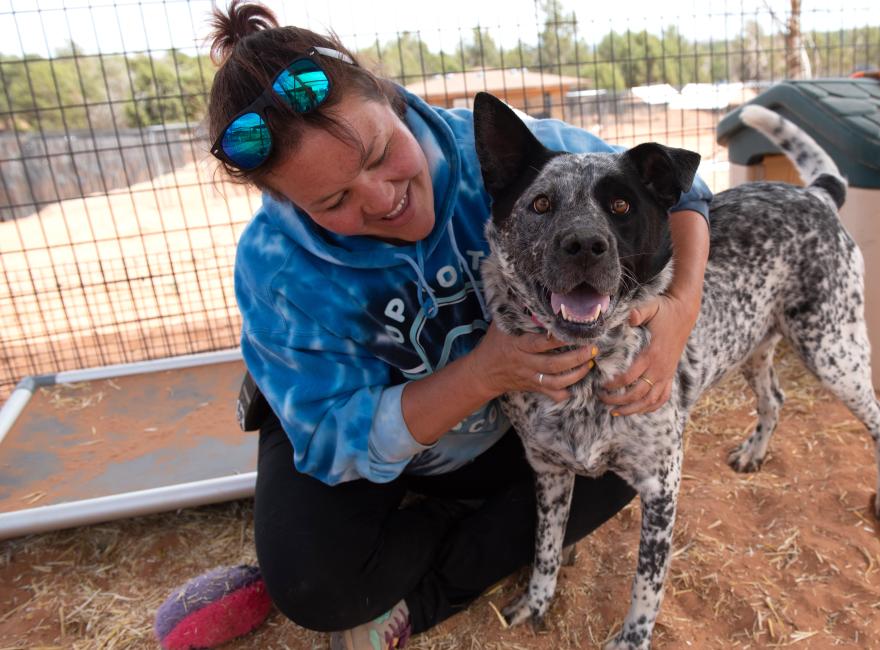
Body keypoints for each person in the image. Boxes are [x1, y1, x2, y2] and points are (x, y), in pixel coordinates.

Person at [177, 1, 711, 647]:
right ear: (286, 201)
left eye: (379, 154)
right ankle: (435, 523)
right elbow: (332, 441)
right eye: (334, 201)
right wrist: (483, 374)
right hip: (378, 430)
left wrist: (681, 306)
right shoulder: (277, 268)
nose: (381, 197)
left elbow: (682, 195)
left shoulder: (502, 152)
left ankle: (422, 597)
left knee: (620, 463)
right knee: (314, 585)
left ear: (392, 100)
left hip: (510, 431)